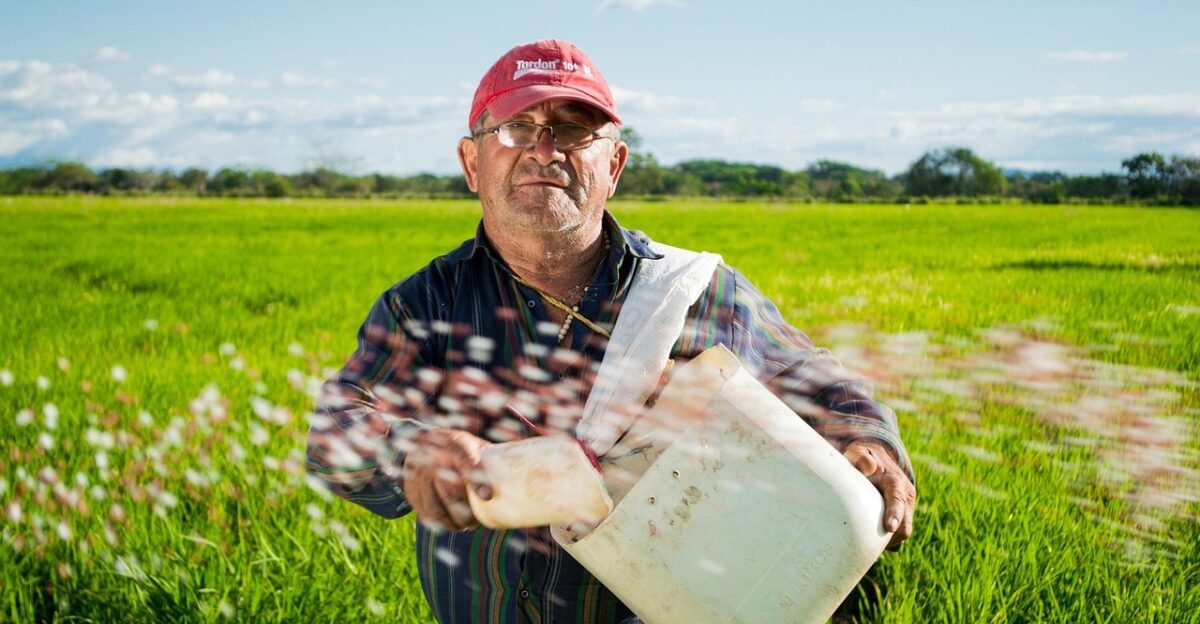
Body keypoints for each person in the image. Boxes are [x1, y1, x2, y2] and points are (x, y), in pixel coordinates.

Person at [307, 39, 916, 624]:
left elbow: (810, 377)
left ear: (614, 165)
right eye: (516, 128)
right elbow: (336, 429)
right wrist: (411, 453)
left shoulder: (689, 291)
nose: (544, 150)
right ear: (472, 162)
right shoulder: (427, 304)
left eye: (574, 129)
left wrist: (869, 440)